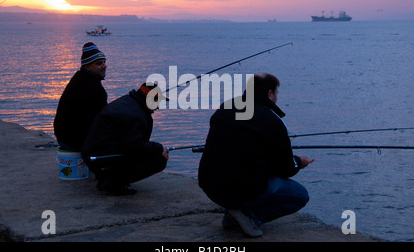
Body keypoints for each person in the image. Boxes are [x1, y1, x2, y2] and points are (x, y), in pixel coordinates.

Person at [198, 73, 314, 237]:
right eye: (276, 94)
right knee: (300, 195)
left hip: (210, 187)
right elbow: (286, 169)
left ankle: (234, 214)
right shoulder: (273, 121)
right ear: (269, 94)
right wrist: (299, 162)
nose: (276, 98)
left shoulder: (226, 107)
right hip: (242, 190)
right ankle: (250, 217)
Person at [82, 82, 170, 196]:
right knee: (159, 160)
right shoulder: (134, 114)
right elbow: (134, 146)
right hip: (100, 159)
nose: (158, 107)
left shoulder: (129, 102)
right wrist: (159, 148)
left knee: (148, 152)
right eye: (156, 102)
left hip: (95, 155)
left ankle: (108, 177)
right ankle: (113, 182)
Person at [53, 42, 108, 151]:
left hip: (64, 138)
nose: (104, 66)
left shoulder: (80, 79)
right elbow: (103, 119)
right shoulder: (92, 87)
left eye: (104, 62)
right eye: (98, 63)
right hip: (73, 142)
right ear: (87, 66)